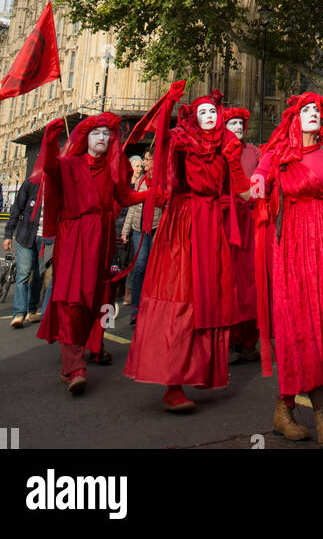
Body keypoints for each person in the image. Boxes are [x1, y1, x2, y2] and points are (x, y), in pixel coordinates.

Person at [124, 89, 248, 412]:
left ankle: (197, 372)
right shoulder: (181, 140)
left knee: (206, 299)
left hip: (211, 225)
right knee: (180, 299)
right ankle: (172, 383)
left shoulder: (225, 147)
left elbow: (242, 189)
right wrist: (166, 103)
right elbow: (162, 143)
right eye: (203, 112)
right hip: (184, 222)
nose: (210, 117)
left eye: (214, 112)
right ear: (194, 116)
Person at [252, 93, 323, 447]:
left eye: (318, 109)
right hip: (294, 247)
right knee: (304, 327)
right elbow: (257, 182)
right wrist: (251, 185)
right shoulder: (279, 155)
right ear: (293, 119)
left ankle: (283, 410)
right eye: (306, 110)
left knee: (314, 328)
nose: (314, 113)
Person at [35, 114, 147, 394]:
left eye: (106, 134)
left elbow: (125, 197)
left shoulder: (111, 169)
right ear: (85, 138)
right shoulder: (70, 163)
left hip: (102, 237)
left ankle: (88, 348)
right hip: (75, 238)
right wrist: (50, 140)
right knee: (72, 298)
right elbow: (49, 167)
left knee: (95, 298)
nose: (101, 138)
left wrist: (154, 193)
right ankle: (73, 367)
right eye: (96, 133)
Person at [224, 107, 260, 362]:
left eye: (240, 124)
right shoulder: (217, 154)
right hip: (226, 222)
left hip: (251, 221)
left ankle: (248, 342)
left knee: (252, 282)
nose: (237, 127)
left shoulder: (253, 152)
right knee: (228, 282)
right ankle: (227, 341)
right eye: (232, 123)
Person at [120, 148, 162, 328]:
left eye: (147, 159)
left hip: (155, 228)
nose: (145, 163)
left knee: (154, 268)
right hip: (139, 229)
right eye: (144, 159)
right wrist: (125, 230)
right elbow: (133, 206)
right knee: (139, 266)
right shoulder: (140, 181)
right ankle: (136, 306)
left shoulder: (162, 181)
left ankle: (152, 306)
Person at [3, 179, 44, 327]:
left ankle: (31, 311)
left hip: (46, 238)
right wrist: (8, 235)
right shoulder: (30, 184)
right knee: (23, 275)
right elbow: (16, 209)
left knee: (39, 276)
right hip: (26, 236)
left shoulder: (59, 184)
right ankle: (19, 313)